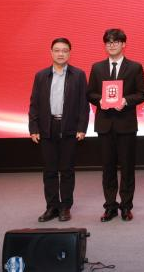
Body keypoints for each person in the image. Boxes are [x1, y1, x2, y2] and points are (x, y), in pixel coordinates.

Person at [87, 28, 144, 222]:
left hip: (126, 124)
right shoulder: (97, 68)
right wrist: (100, 101)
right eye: (108, 42)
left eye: (115, 42)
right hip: (105, 124)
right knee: (108, 168)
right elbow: (90, 93)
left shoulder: (135, 67)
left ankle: (126, 206)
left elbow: (142, 94)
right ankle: (110, 206)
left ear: (123, 44)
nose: (112, 45)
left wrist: (126, 101)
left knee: (127, 168)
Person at [29, 37, 89, 223]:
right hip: (47, 127)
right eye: (57, 50)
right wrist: (33, 127)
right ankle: (52, 206)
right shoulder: (41, 76)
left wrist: (82, 127)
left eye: (64, 50)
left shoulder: (78, 75)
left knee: (67, 170)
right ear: (51, 52)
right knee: (49, 170)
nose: (60, 54)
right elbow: (34, 103)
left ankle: (65, 207)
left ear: (69, 53)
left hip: (69, 127)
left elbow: (84, 104)